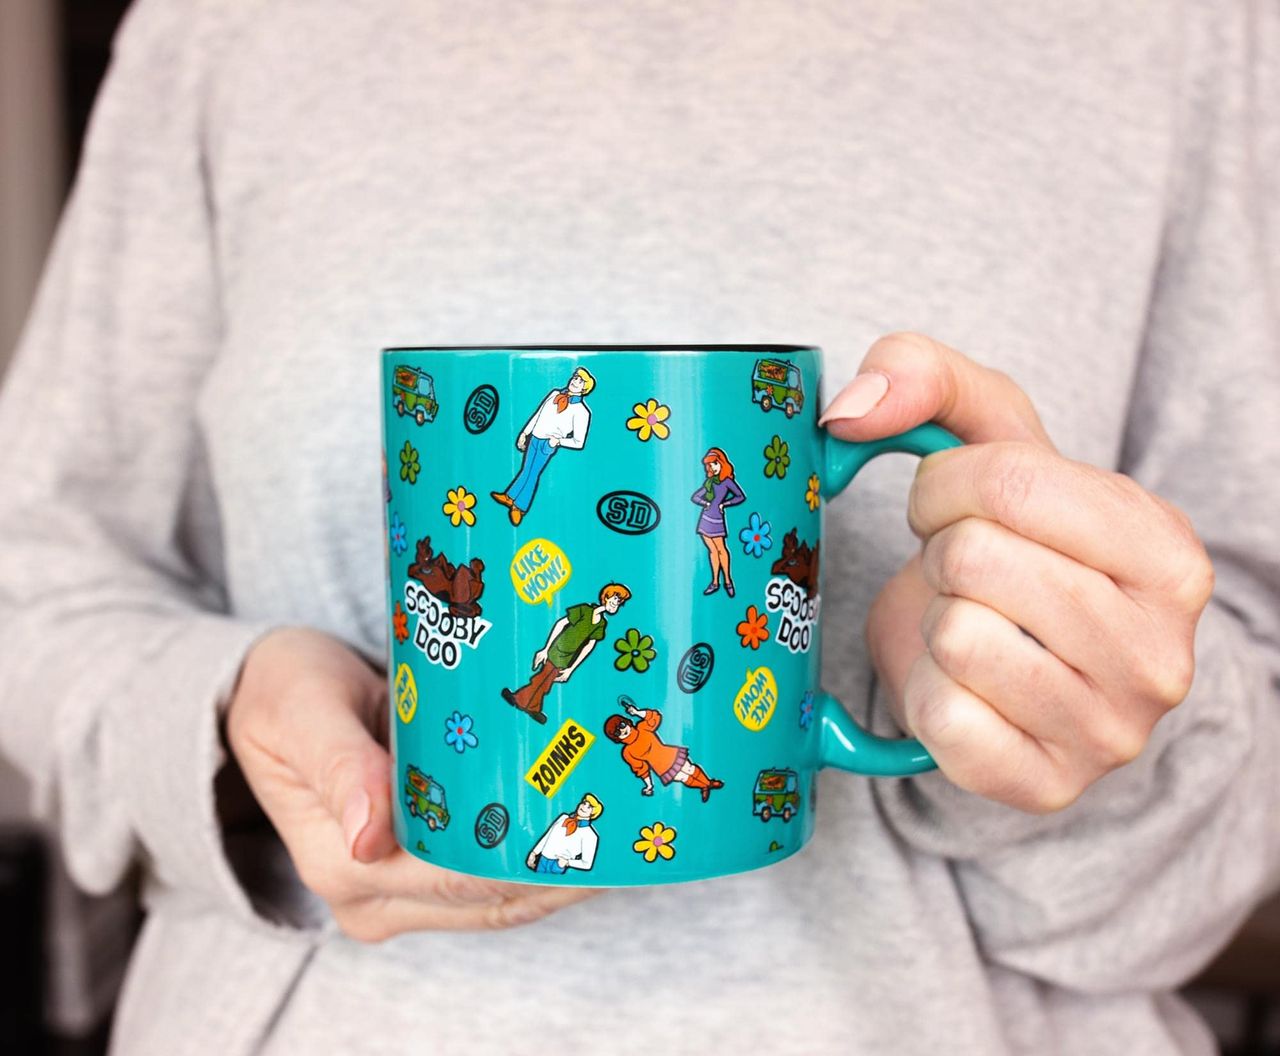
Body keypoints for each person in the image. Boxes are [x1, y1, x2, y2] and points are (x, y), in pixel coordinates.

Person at [0, 2, 1276, 1053]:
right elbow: (36, 575)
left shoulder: (1179, 30)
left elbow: (1246, 727)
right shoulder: (224, 27)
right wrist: (224, 730)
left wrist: (1033, 709)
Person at [501, 583, 631, 725]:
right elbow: (560, 624)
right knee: (542, 679)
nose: (615, 604)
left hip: (568, 658)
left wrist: (571, 669)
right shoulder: (585, 610)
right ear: (606, 597)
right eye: (614, 600)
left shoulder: (601, 624)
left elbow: (589, 646)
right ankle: (522, 701)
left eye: (619, 603)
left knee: (545, 682)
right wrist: (545, 649)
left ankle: (528, 704)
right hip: (556, 651)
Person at [490, 366, 595, 526]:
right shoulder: (554, 394)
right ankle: (510, 497)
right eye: (575, 377)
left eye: (581, 381)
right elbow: (538, 415)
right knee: (526, 470)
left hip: (548, 444)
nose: (575, 381)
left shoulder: (582, 412)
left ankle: (520, 507)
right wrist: (525, 433)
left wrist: (557, 441)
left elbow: (578, 442)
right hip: (534, 438)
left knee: (533, 473)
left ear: (585, 388)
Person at [603, 697, 724, 801]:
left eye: (622, 725)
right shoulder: (628, 752)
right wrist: (649, 786)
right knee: (684, 777)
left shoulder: (642, 728)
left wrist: (637, 712)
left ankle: (708, 783)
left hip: (670, 755)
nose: (622, 730)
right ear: (616, 738)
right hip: (661, 767)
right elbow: (641, 769)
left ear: (627, 722)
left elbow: (654, 717)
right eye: (617, 732)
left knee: (689, 769)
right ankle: (704, 786)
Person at [690, 446, 746, 596]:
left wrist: (725, 504)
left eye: (715, 463)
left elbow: (740, 496)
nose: (712, 467)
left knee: (721, 549)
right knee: (713, 551)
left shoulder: (726, 482)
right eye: (710, 465)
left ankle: (727, 580)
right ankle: (715, 582)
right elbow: (695, 497)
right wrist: (706, 503)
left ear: (722, 463)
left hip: (717, 518)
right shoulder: (710, 482)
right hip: (706, 518)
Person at [526, 794, 604, 874]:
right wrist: (534, 852)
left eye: (589, 807)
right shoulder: (563, 818)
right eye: (584, 803)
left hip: (557, 865)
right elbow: (547, 836)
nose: (584, 807)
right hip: (543, 859)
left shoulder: (590, 835)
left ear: (593, 813)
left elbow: (587, 864)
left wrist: (567, 862)